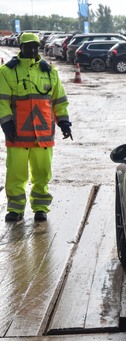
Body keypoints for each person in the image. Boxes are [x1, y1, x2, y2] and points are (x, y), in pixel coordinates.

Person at [0, 32, 72, 222]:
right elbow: (2, 102)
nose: (32, 50)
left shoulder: (50, 71)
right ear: (20, 47)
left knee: (43, 173)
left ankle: (40, 208)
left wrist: (64, 122)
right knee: (16, 174)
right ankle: (15, 210)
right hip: (17, 135)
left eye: (35, 46)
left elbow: (59, 101)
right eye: (28, 46)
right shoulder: (6, 72)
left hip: (44, 135)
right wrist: (6, 123)